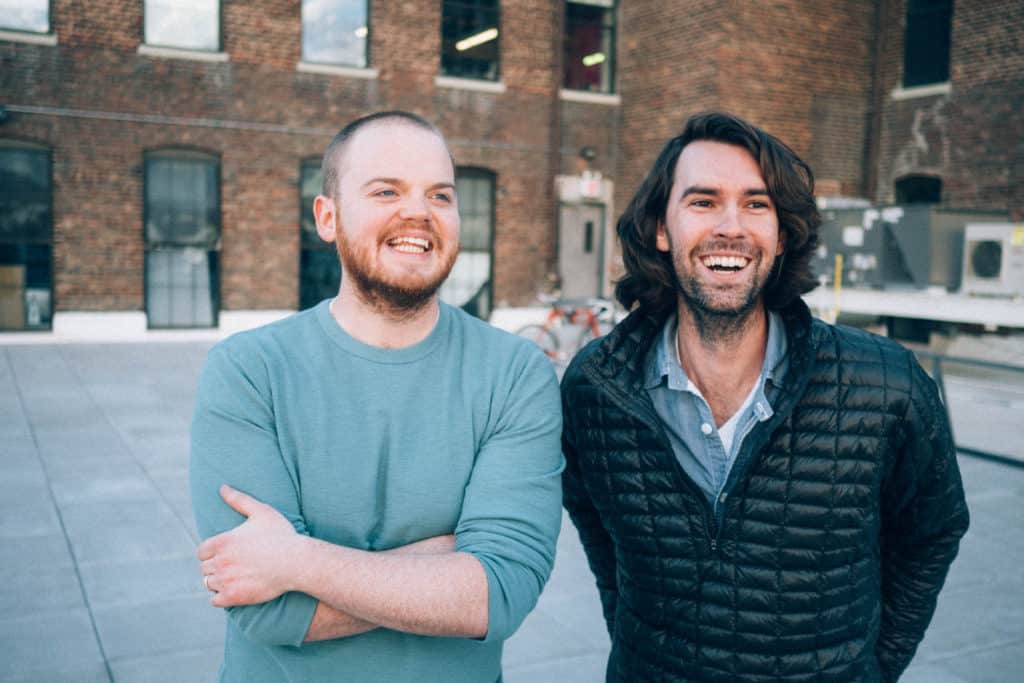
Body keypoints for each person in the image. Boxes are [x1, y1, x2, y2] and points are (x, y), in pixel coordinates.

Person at [560, 111, 969, 681]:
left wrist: (873, 667)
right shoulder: (596, 388)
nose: (731, 226)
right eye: (703, 202)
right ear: (660, 229)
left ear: (782, 236)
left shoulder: (887, 384)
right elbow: (598, 531)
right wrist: (637, 640)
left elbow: (932, 530)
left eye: (756, 204)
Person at [190, 110, 564, 683]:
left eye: (440, 195)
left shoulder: (515, 372)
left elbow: (501, 592)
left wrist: (296, 561)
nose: (418, 212)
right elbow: (266, 610)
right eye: (386, 190)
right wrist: (451, 563)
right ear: (327, 216)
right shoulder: (248, 371)